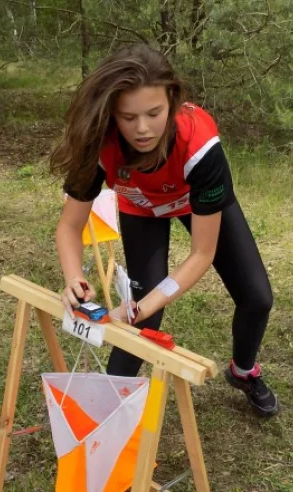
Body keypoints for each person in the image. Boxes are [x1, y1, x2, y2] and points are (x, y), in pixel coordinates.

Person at [50, 44, 279, 416]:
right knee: (145, 318)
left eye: (154, 113)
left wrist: (145, 304)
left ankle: (243, 371)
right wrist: (74, 278)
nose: (142, 129)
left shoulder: (201, 146)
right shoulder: (99, 143)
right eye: (128, 117)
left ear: (172, 102)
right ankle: (103, 414)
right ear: (112, 114)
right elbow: (69, 226)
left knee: (257, 297)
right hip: (141, 208)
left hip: (195, 202)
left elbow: (202, 254)